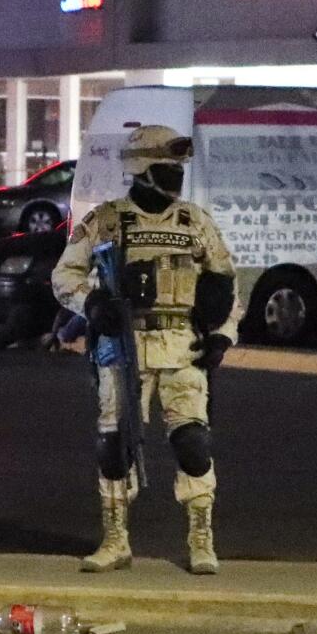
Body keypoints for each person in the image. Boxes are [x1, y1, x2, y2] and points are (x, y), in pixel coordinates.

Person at [52, 125, 240, 575]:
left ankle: (201, 538)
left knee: (193, 442)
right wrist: (93, 304)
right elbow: (64, 278)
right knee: (114, 445)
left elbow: (227, 284)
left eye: (177, 168)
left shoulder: (194, 221)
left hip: (183, 347)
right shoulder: (107, 221)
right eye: (165, 167)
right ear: (140, 169)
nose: (174, 176)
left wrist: (222, 335)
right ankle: (116, 539)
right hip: (123, 346)